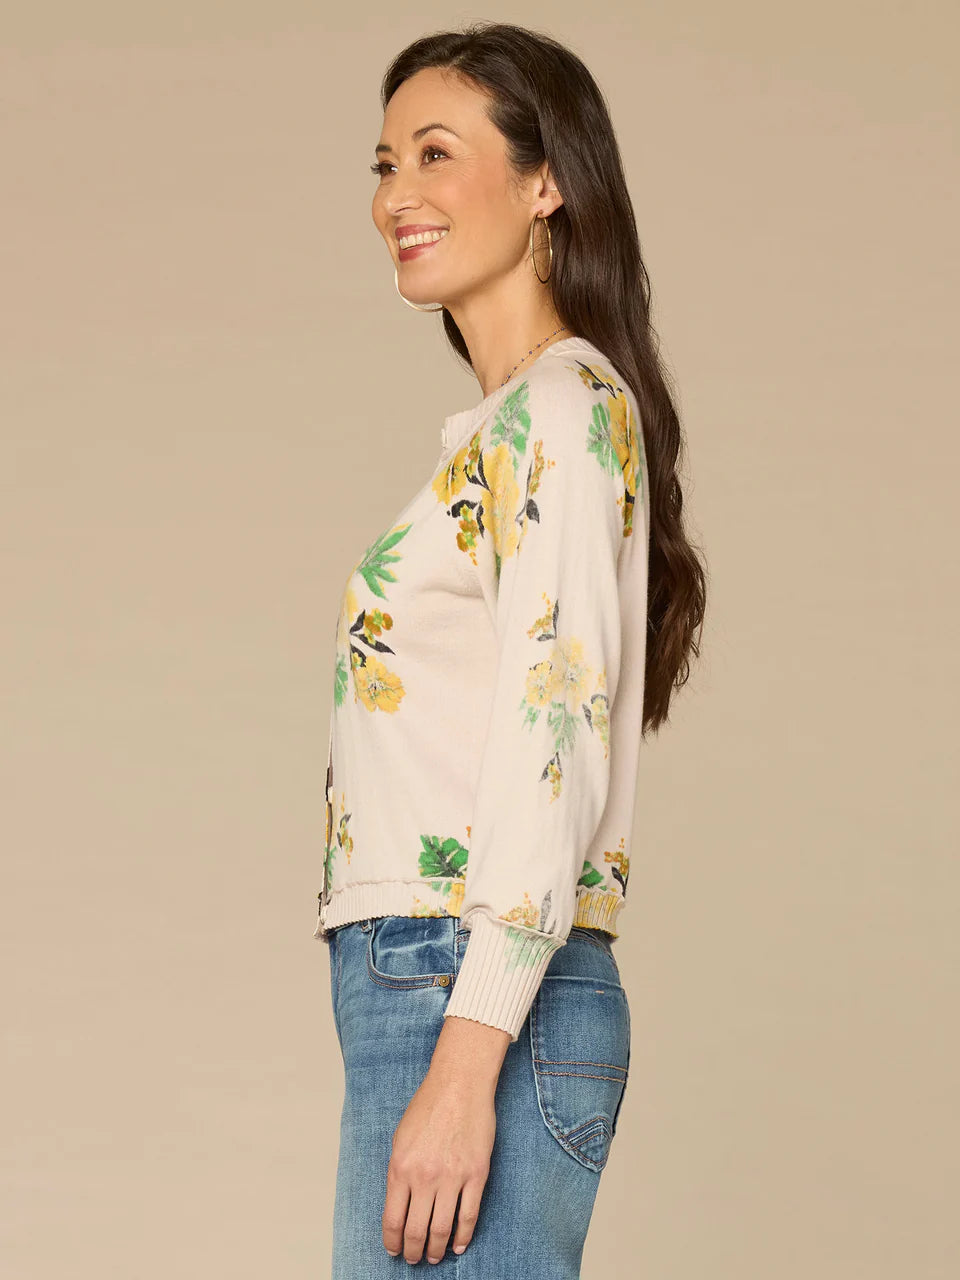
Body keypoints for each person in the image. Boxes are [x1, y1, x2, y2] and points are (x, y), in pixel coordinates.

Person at [313, 21, 707, 1277]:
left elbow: (554, 744)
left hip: (469, 987)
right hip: (437, 982)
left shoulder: (561, 409)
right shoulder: (514, 425)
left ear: (548, 182)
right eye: (385, 164)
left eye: (436, 153)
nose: (398, 194)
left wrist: (465, 1059)